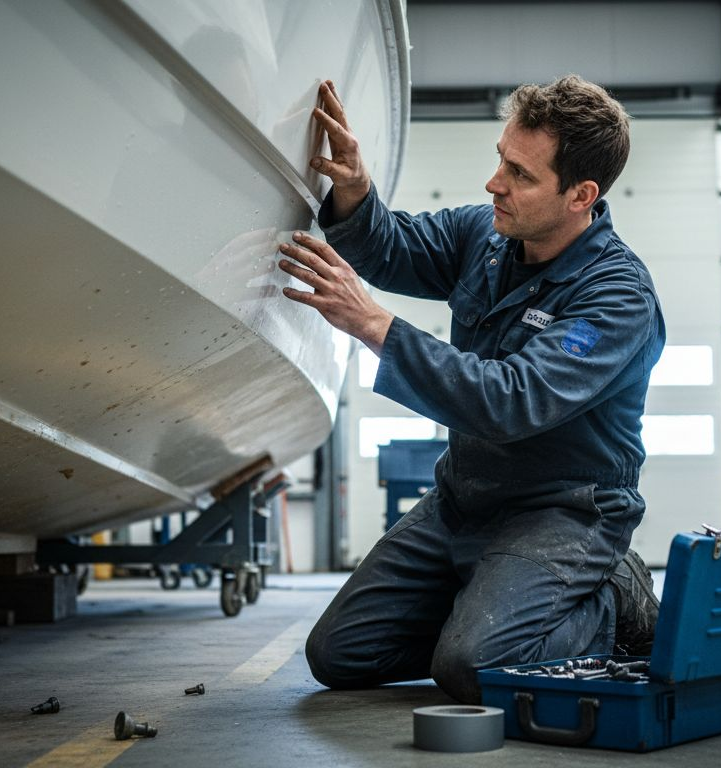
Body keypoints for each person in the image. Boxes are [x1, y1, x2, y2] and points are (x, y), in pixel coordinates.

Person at [278, 76, 665, 704]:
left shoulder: (617, 297)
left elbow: (510, 401)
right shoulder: (485, 236)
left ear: (581, 195)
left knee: (472, 668)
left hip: (562, 513)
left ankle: (613, 600)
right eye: (501, 159)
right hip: (465, 499)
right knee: (340, 653)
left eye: (520, 173)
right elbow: (392, 247)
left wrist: (373, 324)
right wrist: (353, 189)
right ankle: (495, 608)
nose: (494, 183)